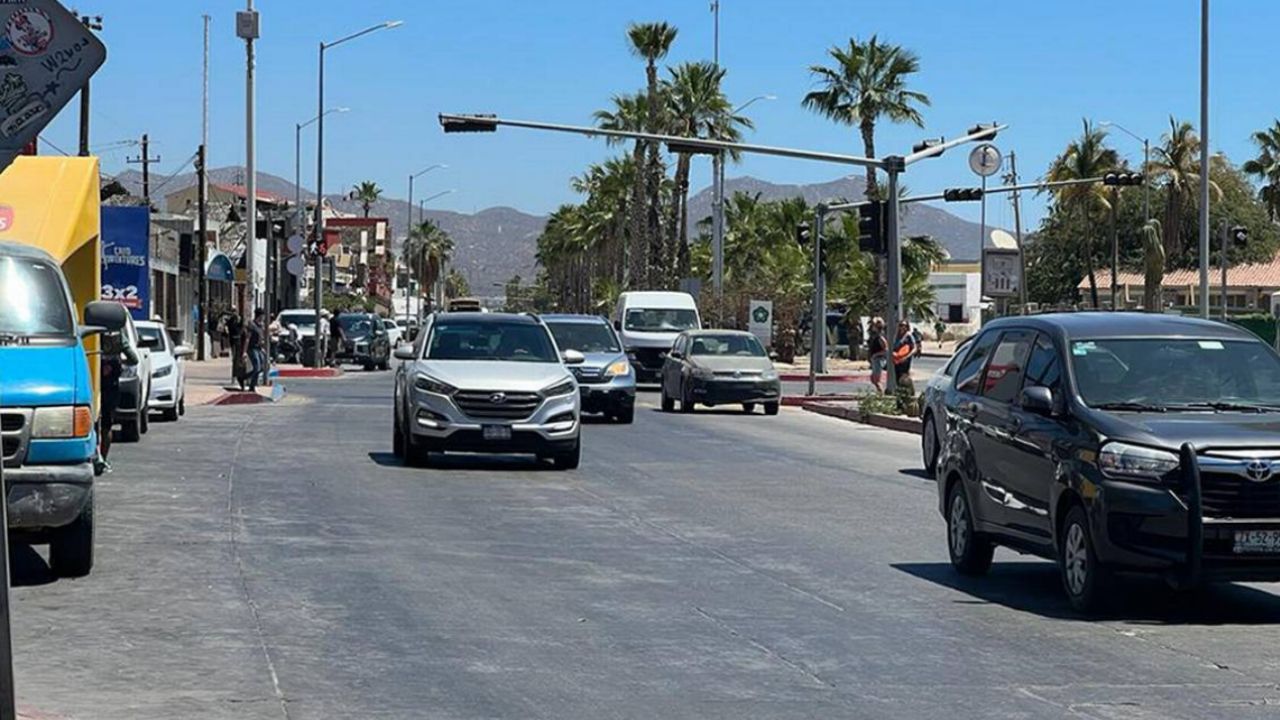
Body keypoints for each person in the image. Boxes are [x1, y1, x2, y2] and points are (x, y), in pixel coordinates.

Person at [96, 326, 139, 474]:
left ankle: (94, 456)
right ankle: (103, 458)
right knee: (107, 426)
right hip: (111, 387)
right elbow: (134, 359)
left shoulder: (94, 335)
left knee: (94, 424)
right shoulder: (118, 337)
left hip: (94, 386)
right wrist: (119, 363)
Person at [242, 308, 267, 392]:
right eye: (263, 316)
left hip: (259, 348)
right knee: (256, 367)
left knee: (262, 367)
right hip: (252, 348)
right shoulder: (252, 325)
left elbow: (261, 338)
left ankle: (245, 379)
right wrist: (244, 352)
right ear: (259, 316)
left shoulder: (261, 325)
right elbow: (247, 339)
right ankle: (250, 384)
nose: (263, 318)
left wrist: (263, 348)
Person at [891, 319, 918, 397]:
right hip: (897, 360)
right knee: (897, 378)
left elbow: (914, 348)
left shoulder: (908, 336)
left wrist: (907, 356)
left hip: (905, 360)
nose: (902, 327)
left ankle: (908, 394)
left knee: (904, 377)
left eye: (904, 325)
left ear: (907, 327)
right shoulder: (897, 336)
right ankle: (900, 395)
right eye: (901, 325)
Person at [867, 318, 888, 394]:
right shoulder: (875, 336)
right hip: (875, 360)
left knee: (877, 380)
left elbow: (886, 350)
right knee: (873, 378)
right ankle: (879, 392)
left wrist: (876, 355)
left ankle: (881, 395)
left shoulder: (881, 338)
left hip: (879, 360)